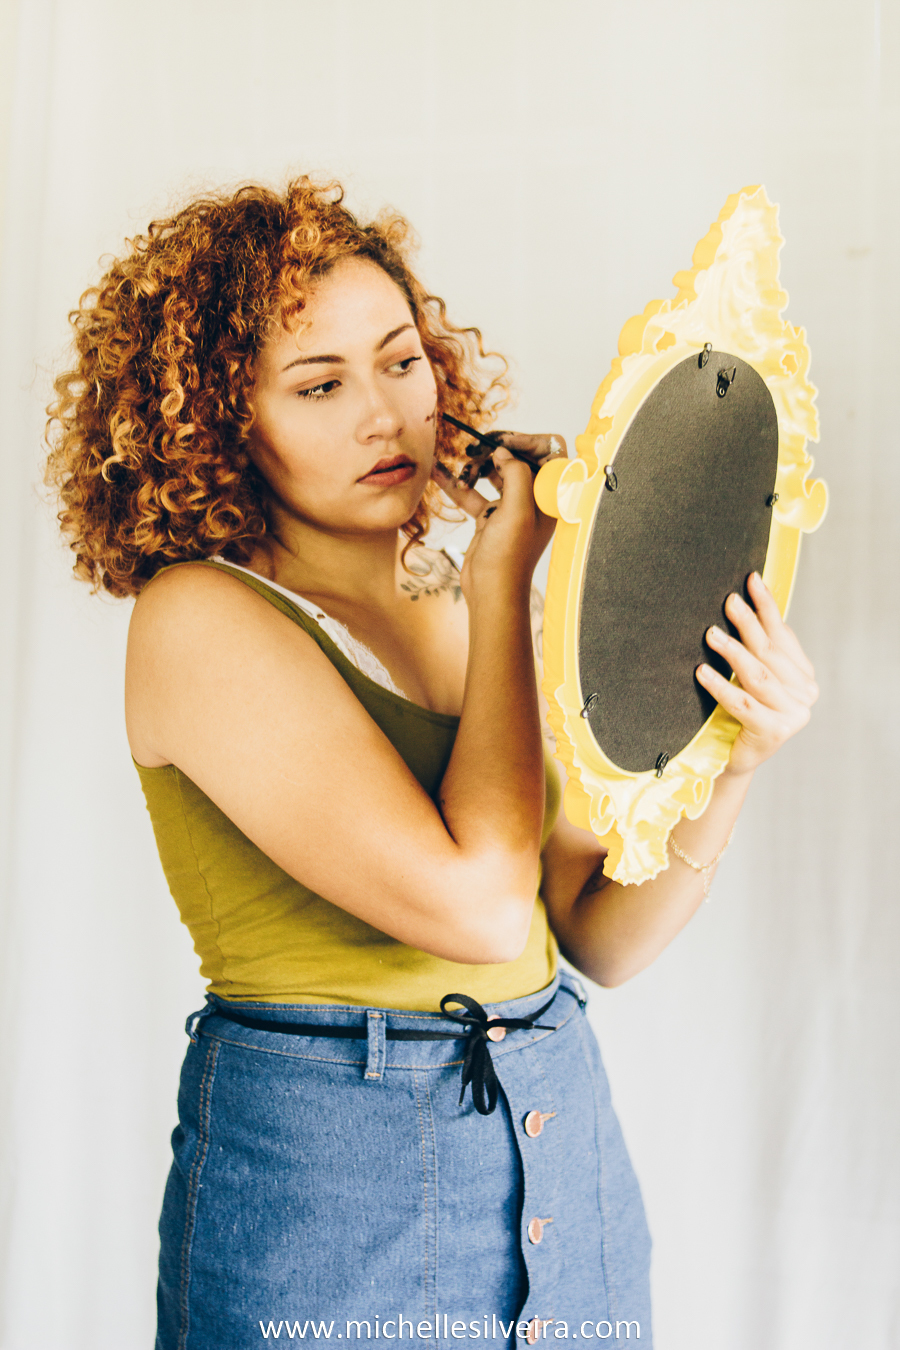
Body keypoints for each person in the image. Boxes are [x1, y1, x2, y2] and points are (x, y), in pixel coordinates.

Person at [45, 178, 818, 1350]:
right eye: (319, 385)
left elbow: (593, 934)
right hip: (335, 1192)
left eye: (402, 361)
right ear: (215, 420)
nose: (385, 414)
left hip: (558, 1156)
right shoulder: (198, 621)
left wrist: (738, 759)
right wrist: (511, 581)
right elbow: (477, 904)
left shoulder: (441, 592)